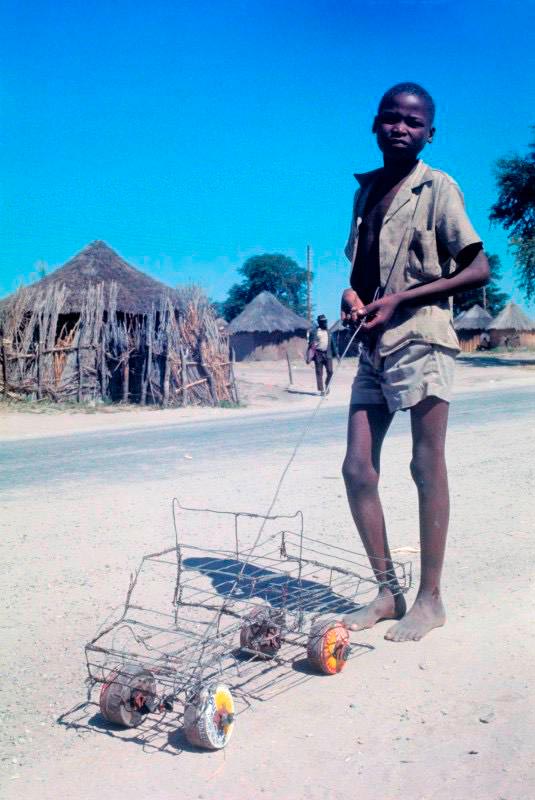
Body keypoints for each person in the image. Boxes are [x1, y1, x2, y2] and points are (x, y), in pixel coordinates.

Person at [340, 82, 489, 642]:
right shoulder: (365, 193)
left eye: (413, 121)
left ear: (429, 132)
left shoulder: (438, 186)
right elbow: (358, 276)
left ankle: (430, 599)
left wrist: (405, 297)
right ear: (374, 125)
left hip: (423, 336)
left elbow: (478, 269)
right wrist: (352, 299)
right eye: (390, 118)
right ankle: (387, 592)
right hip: (375, 344)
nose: (400, 127)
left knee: (426, 464)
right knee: (357, 468)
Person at [308, 314, 337, 394]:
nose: (325, 323)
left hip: (328, 354)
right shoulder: (314, 332)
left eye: (326, 321)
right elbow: (310, 344)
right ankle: (322, 390)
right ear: (319, 322)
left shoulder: (329, 331)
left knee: (330, 371)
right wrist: (309, 356)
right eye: (323, 322)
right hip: (318, 354)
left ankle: (327, 384)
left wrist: (337, 354)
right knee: (319, 372)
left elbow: (333, 343)